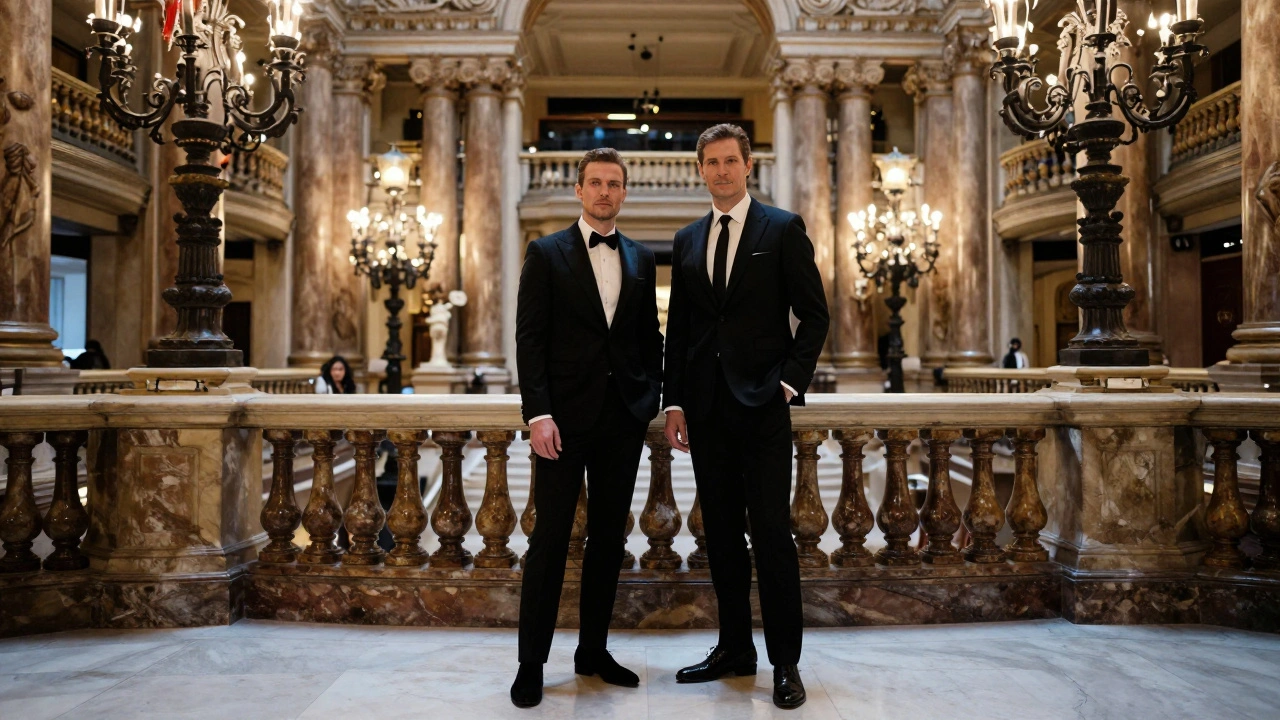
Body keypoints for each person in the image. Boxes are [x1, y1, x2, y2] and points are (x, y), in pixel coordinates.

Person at [662, 124, 829, 709]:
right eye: (711, 162)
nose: (721, 171)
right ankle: (735, 648)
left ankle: (785, 663)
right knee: (721, 537)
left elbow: (814, 316)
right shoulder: (687, 239)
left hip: (763, 409)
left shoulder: (781, 228)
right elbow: (680, 329)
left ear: (748, 165)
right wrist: (675, 401)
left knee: (773, 537)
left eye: (730, 161)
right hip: (706, 412)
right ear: (700, 170)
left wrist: (788, 381)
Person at [511, 148, 664, 708]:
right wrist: (538, 414)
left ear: (624, 192)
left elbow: (648, 338)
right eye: (595, 182)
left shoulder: (641, 257)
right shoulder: (545, 252)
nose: (604, 192)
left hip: (622, 420)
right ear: (579, 191)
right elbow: (530, 339)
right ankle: (531, 663)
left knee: (608, 541)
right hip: (561, 423)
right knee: (549, 541)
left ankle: (592, 652)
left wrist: (648, 397)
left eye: (613, 183)